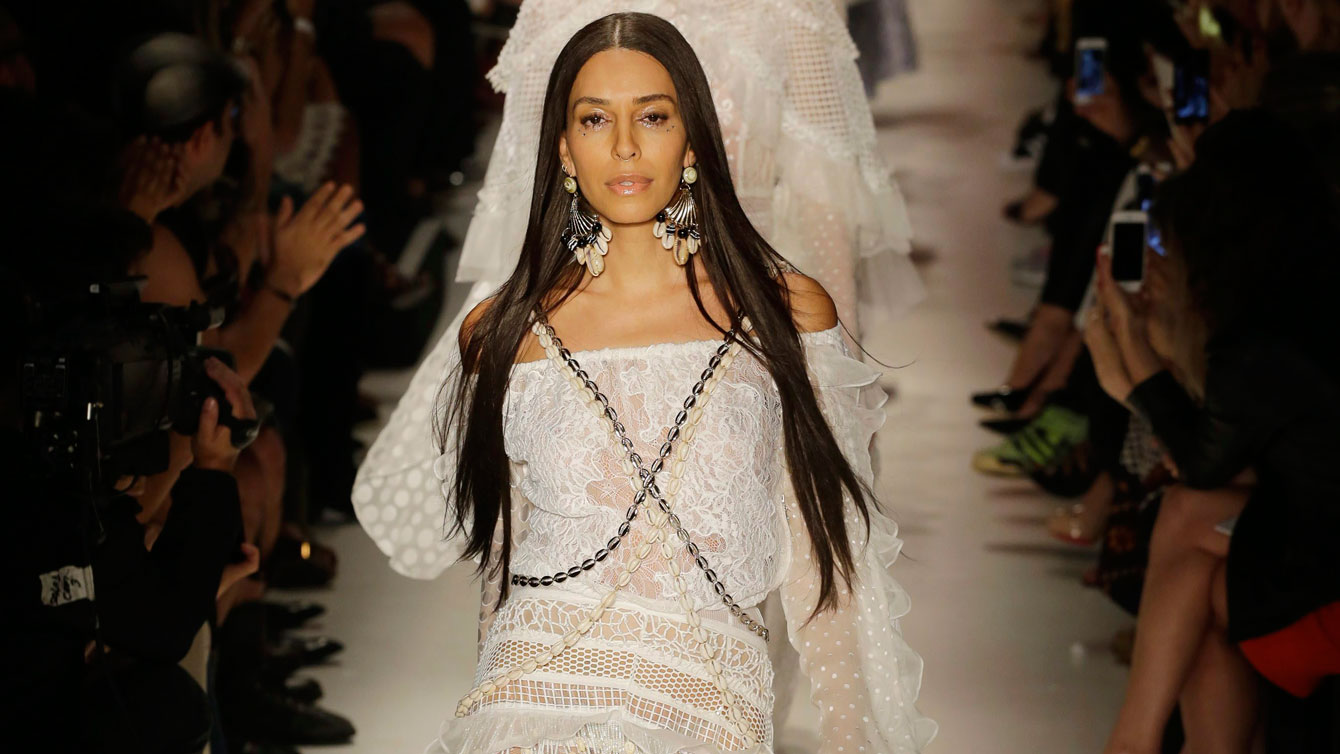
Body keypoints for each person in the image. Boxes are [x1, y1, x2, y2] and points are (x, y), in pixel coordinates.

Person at [354, 12, 934, 753]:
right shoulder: (502, 333)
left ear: (691, 137)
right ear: (563, 147)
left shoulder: (781, 315)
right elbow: (506, 575)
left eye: (652, 117)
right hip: (529, 700)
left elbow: (828, 579)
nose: (625, 147)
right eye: (595, 119)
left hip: (707, 707)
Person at [454, 0, 922, 342]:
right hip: (577, 306)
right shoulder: (556, 10)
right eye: (597, 119)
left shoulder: (788, 12)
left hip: (744, 307)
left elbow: (826, 200)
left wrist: (830, 352)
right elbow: (527, 191)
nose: (626, 144)